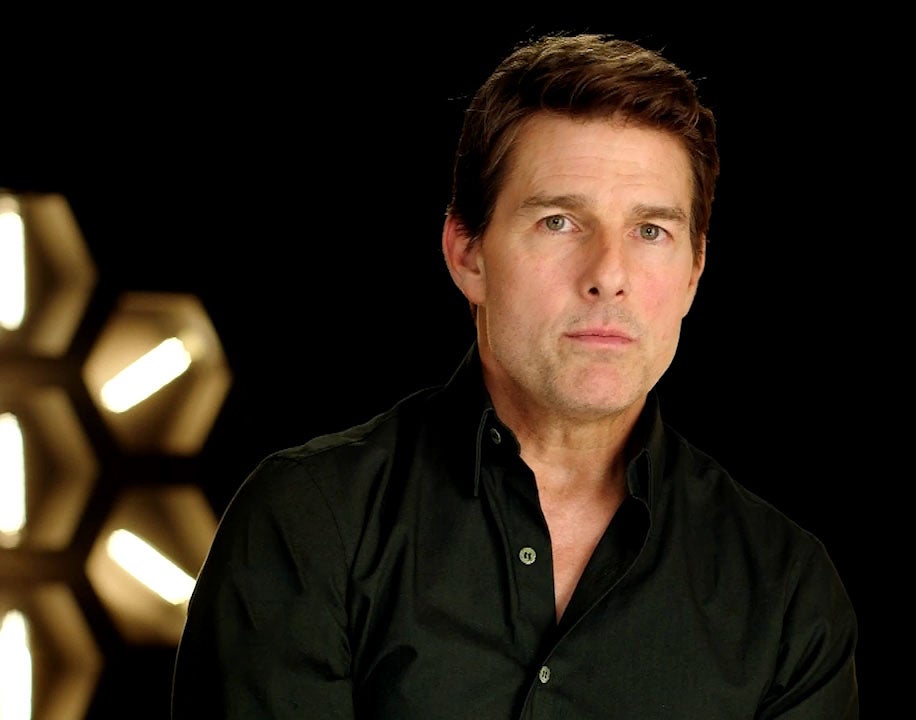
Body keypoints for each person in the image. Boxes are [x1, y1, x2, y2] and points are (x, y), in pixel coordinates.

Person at [171, 31, 858, 719]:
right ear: (467, 254)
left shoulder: (786, 592)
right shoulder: (311, 524)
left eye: (651, 231)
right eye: (559, 221)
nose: (608, 275)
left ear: (694, 273)